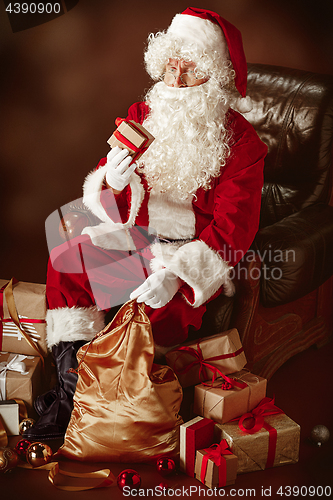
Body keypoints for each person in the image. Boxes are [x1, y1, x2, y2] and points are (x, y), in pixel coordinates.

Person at [24, 7, 267, 441]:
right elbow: (108, 194)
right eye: (170, 64)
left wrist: (176, 278)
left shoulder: (243, 144)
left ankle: (98, 404)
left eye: (190, 69)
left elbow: (235, 231)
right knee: (67, 260)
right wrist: (113, 180)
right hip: (133, 239)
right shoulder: (145, 110)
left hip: (181, 257)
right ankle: (71, 398)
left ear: (214, 76)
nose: (175, 80)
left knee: (148, 317)